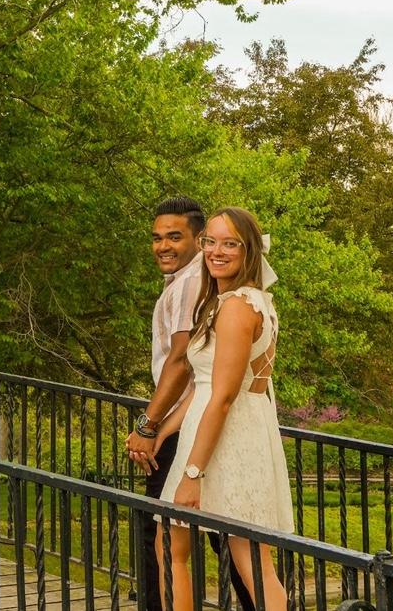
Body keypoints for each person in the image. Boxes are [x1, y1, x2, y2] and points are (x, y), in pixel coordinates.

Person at [154, 207, 293, 611]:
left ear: (249, 250)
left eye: (229, 243)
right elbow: (204, 386)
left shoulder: (237, 307)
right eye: (210, 241)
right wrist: (162, 430)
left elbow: (224, 396)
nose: (216, 251)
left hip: (225, 442)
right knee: (184, 546)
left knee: (246, 558)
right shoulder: (240, 301)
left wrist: (192, 474)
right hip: (223, 433)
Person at [125, 197, 255, 611]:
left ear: (198, 240)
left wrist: (149, 426)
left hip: (188, 427)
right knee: (229, 538)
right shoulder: (196, 283)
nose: (163, 246)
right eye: (157, 238)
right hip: (189, 422)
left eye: (174, 237)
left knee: (165, 537)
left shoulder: (190, 283)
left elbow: (182, 361)